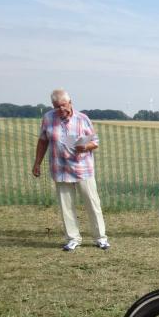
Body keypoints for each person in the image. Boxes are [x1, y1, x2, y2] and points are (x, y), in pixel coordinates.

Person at [32, 89, 110, 251]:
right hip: (60, 169)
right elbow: (43, 141)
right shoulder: (48, 118)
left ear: (70, 102)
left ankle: (100, 238)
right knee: (66, 206)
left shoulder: (83, 119)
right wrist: (37, 163)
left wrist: (85, 147)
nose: (61, 109)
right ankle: (73, 238)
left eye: (63, 105)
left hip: (83, 169)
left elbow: (95, 141)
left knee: (92, 203)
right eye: (56, 106)